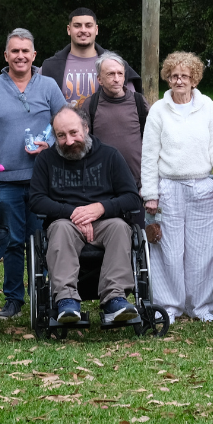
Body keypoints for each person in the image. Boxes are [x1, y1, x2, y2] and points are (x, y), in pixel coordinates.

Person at [0, 28, 68, 318]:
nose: (20, 56)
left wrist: (49, 143)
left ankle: (47, 295)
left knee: (43, 238)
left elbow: (65, 123)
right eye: (15, 51)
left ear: (34, 55)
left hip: (43, 178)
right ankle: (14, 299)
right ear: (6, 55)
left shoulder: (48, 86)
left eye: (26, 51)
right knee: (12, 241)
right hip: (6, 180)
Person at [141, 51, 213, 322]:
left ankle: (201, 307)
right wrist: (150, 194)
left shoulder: (207, 106)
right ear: (167, 79)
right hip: (168, 187)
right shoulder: (158, 110)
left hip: (201, 187)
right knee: (168, 251)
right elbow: (149, 155)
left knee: (203, 251)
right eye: (173, 76)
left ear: (194, 79)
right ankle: (169, 309)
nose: (179, 80)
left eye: (184, 76)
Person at [29, 108, 144, 324]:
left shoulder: (110, 155)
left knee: (120, 228)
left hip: (106, 222)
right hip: (65, 223)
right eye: (61, 136)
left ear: (86, 128)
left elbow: (132, 198)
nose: (69, 141)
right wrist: (72, 213)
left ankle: (115, 299)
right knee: (61, 229)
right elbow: (36, 199)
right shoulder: (46, 159)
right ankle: (66, 301)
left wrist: (100, 208)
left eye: (74, 133)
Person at [41, 8, 141, 105]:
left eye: (88, 26)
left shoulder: (116, 65)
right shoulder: (50, 67)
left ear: (96, 29)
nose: (83, 30)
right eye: (77, 26)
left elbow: (131, 105)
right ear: (69, 29)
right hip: (62, 122)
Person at [80, 51, 149, 185]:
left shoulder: (139, 101)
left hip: (137, 183)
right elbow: (83, 144)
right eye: (111, 74)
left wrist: (148, 183)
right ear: (99, 79)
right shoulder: (90, 105)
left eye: (120, 74)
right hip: (102, 183)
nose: (116, 79)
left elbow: (153, 142)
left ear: (124, 77)